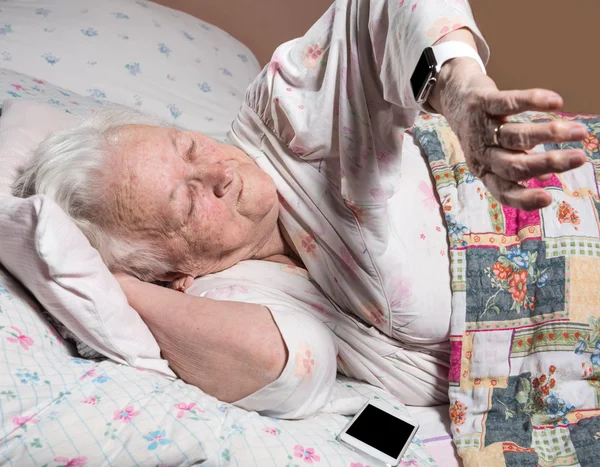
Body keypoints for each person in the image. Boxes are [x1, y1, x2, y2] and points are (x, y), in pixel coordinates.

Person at [13, 0, 589, 419]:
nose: (217, 171)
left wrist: (459, 89)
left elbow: (382, 8)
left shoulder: (281, 122)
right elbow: (294, 373)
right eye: (185, 202)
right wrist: (119, 287)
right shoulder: (232, 293)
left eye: (189, 147)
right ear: (168, 269)